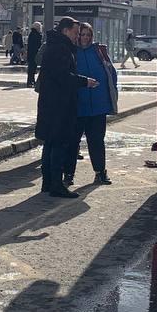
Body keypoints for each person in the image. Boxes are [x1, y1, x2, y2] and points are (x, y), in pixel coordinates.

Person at [36, 17, 98, 199]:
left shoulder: (55, 46)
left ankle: (48, 183)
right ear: (65, 30)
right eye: (75, 32)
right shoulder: (60, 48)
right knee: (58, 143)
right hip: (59, 104)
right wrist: (84, 81)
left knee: (50, 143)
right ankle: (55, 184)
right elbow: (63, 76)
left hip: (52, 103)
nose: (77, 37)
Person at [65, 22, 117, 187]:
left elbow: (111, 73)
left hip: (98, 106)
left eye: (88, 35)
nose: (85, 38)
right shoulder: (71, 52)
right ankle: (68, 174)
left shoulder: (99, 52)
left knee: (97, 141)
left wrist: (110, 96)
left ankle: (100, 172)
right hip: (78, 106)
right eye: (82, 34)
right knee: (72, 142)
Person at [26, 21, 43, 88]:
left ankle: (31, 81)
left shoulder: (32, 34)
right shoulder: (36, 35)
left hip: (31, 54)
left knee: (32, 68)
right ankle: (30, 81)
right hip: (34, 54)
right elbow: (37, 45)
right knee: (32, 69)